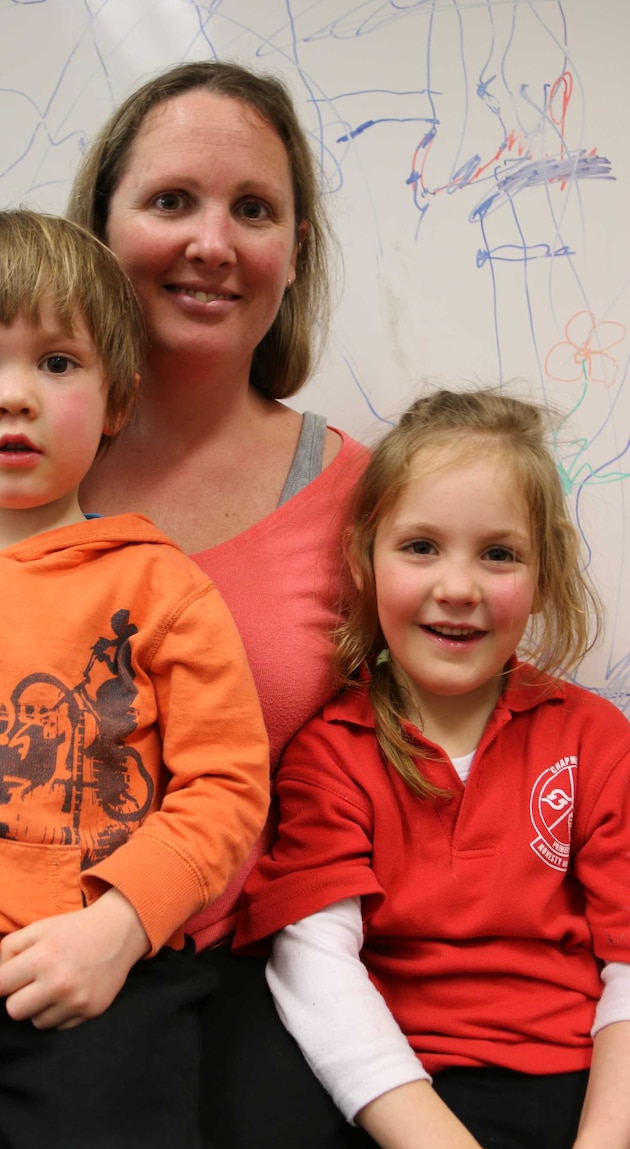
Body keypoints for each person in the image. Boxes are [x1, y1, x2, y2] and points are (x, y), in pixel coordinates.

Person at [0, 61, 371, 1148]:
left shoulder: (178, 579)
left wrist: (118, 927)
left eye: (254, 209)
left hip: (134, 966)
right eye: (171, 199)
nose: (12, 397)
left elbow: (231, 786)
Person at [235, 388, 630, 1149]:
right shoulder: (329, 755)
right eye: (421, 546)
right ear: (364, 557)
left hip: (583, 1094)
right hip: (400, 1095)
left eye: (499, 554)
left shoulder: (596, 740)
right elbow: (316, 967)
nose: (458, 586)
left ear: (543, 572)